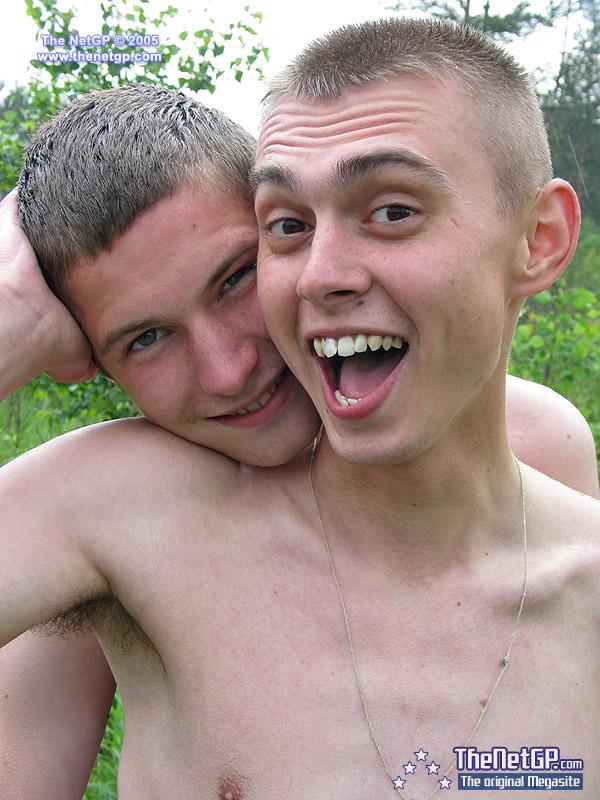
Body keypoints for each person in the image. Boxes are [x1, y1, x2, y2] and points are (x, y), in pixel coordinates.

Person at [0, 54, 597, 798]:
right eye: (145, 339)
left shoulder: (539, 441)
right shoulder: (116, 509)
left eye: (236, 279)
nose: (228, 372)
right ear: (90, 360)